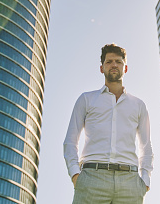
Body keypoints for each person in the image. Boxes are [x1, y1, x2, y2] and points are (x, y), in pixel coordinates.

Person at [63, 44, 154, 203]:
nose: (114, 65)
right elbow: (70, 141)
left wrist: (145, 180)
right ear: (101, 68)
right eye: (109, 61)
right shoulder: (86, 99)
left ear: (125, 68)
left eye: (118, 62)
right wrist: (75, 175)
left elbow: (146, 146)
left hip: (130, 182)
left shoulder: (138, 105)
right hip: (91, 179)